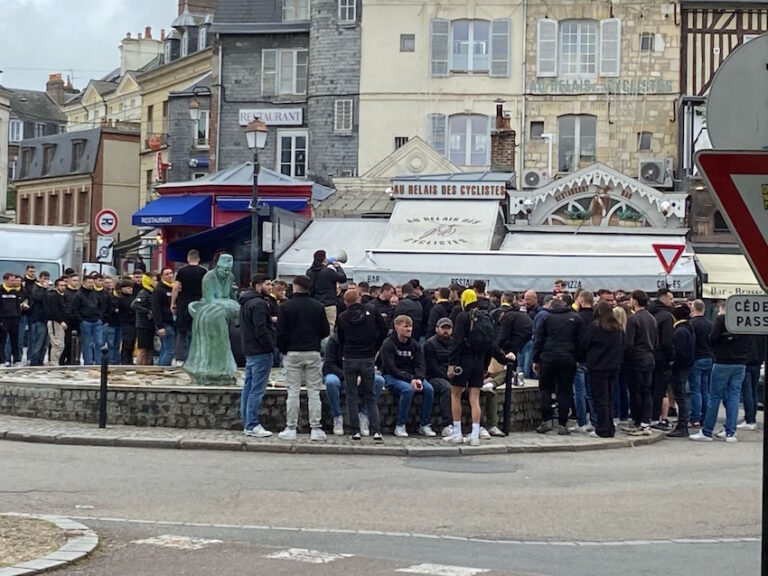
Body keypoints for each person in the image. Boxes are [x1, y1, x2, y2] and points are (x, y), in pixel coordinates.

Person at [276, 275, 330, 441]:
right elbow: (325, 331)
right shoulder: (318, 306)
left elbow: (281, 332)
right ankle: (315, 428)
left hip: (293, 352)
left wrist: (284, 349)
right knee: (314, 391)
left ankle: (291, 427)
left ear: (296, 287)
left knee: (293, 391)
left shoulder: (286, 307)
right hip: (312, 351)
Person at [691, 301, 749, 442]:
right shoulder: (744, 320)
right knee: (734, 397)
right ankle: (730, 432)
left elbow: (713, 338)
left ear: (723, 308)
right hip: (741, 362)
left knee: (715, 397)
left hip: (723, 361)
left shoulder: (722, 319)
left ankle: (707, 431)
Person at [336, 288, 388, 440]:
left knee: (351, 395)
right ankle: (376, 430)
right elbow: (384, 330)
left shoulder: (343, 317)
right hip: (367, 356)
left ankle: (355, 431)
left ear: (346, 302)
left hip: (350, 356)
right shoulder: (371, 311)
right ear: (359, 298)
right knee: (370, 395)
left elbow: (340, 338)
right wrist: (375, 346)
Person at [447, 289, 494, 445]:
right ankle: (474, 434)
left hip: (463, 360)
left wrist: (451, 364)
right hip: (479, 361)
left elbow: (457, 342)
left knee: (455, 394)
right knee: (475, 398)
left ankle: (457, 432)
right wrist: (486, 365)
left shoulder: (462, 316)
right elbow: (490, 344)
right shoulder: (485, 316)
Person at [533, 298, 583, 435]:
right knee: (565, 391)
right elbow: (580, 341)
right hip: (568, 358)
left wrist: (535, 360)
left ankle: (546, 420)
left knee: (545, 389)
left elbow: (539, 340)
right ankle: (562, 424)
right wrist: (578, 358)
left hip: (548, 358)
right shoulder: (575, 318)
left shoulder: (546, 318)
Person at [380, 315, 435, 438]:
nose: (409, 329)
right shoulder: (388, 344)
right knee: (407, 390)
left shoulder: (415, 345)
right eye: (405, 326)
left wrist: (419, 379)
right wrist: (410, 380)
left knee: (429, 389)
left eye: (410, 326)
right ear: (397, 327)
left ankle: (424, 424)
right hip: (392, 376)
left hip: (412, 376)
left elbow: (421, 365)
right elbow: (391, 368)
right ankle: (400, 425)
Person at [323, 332, 385, 437]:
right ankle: (337, 417)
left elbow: (368, 362)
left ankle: (364, 415)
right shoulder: (334, 340)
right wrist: (347, 376)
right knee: (331, 382)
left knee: (379, 381)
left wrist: (361, 375)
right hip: (339, 375)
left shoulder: (362, 340)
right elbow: (329, 364)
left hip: (360, 376)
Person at [239, 274, 275, 438]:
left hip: (249, 349)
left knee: (248, 387)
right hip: (260, 350)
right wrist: (270, 346)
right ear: (257, 285)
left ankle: (247, 421)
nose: (270, 287)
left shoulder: (245, 302)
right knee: (256, 390)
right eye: (267, 284)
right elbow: (261, 329)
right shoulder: (260, 304)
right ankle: (252, 424)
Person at [581, 301, 624, 438]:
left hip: (598, 367)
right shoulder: (618, 328)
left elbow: (585, 345)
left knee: (600, 398)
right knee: (610, 398)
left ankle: (602, 428)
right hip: (613, 366)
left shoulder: (595, 327)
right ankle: (610, 427)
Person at [623, 290, 658, 436]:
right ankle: (646, 421)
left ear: (635, 302)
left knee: (636, 391)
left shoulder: (633, 319)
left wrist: (625, 358)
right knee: (647, 390)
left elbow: (628, 344)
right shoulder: (652, 319)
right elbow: (656, 341)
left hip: (636, 359)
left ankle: (637, 422)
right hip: (649, 357)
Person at [424, 317, 460, 438]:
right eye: (443, 328)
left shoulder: (455, 343)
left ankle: (479, 425)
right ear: (437, 329)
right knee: (447, 388)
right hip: (434, 377)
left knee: (470, 389)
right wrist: (448, 377)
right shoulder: (430, 344)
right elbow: (432, 366)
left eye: (448, 328)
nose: (445, 330)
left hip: (452, 375)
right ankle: (447, 424)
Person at [171, 250, 207, 365]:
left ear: (188, 258)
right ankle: (197, 358)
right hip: (199, 304)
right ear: (198, 259)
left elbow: (176, 287)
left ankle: (179, 359)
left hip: (184, 303)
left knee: (181, 332)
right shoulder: (204, 271)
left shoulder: (181, 271)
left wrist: (172, 302)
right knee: (198, 332)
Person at [666, 305, 695, 438]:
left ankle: (682, 425)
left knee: (680, 396)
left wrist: (672, 362)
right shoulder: (688, 328)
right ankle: (682, 422)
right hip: (686, 366)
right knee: (681, 395)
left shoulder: (680, 331)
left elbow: (678, 352)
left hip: (679, 368)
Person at [649, 289, 675, 430]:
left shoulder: (648, 312)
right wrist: (671, 357)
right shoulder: (666, 317)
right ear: (664, 298)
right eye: (670, 299)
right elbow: (667, 341)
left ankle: (646, 417)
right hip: (661, 358)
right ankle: (655, 418)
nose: (672, 302)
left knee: (648, 388)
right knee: (659, 389)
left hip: (648, 355)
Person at [571, 290, 596, 433]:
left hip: (580, 359)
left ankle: (581, 422)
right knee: (592, 392)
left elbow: (576, 340)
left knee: (579, 392)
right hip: (593, 359)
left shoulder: (577, 318)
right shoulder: (597, 318)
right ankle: (594, 420)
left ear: (580, 300)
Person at [306, 250, 346, 331]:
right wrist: (338, 267)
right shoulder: (327, 272)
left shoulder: (309, 272)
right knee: (329, 327)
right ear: (324, 259)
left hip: (315, 304)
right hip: (329, 304)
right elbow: (343, 278)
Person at [687, 299, 714, 427]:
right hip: (709, 358)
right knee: (705, 389)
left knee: (695, 389)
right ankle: (706, 416)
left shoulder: (691, 324)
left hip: (696, 358)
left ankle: (695, 417)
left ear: (693, 309)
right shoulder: (710, 324)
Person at [71, 274, 105, 365]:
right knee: (87, 343)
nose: (91, 284)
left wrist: (100, 317)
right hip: (85, 321)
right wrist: (81, 319)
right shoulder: (78, 295)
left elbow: (101, 305)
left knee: (99, 342)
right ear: (84, 282)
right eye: (89, 282)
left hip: (97, 320)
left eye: (92, 282)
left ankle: (99, 362)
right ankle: (88, 362)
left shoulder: (95, 294)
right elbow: (74, 309)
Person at [738, 334, 767, 431]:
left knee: (747, 391)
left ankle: (749, 419)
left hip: (746, 361)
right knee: (754, 391)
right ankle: (752, 417)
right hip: (757, 361)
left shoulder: (746, 330)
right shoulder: (760, 330)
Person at [152, 267, 176, 366]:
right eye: (167, 274)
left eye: (171, 273)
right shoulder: (159, 290)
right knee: (171, 350)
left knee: (165, 348)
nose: (170, 275)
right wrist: (160, 326)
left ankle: (160, 368)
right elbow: (156, 309)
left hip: (172, 321)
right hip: (164, 323)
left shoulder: (174, 288)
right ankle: (164, 369)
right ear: (162, 276)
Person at [131, 273, 157, 366]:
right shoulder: (144, 292)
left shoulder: (153, 292)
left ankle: (146, 366)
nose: (155, 282)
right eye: (153, 279)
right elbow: (134, 305)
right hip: (143, 324)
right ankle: (139, 367)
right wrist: (147, 311)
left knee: (149, 349)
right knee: (143, 349)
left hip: (151, 324)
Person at [27, 271, 50, 366]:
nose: (46, 281)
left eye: (47, 279)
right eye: (44, 279)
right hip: (37, 319)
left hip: (46, 319)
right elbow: (38, 298)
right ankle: (34, 362)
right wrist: (44, 289)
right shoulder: (35, 288)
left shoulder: (46, 290)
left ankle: (41, 361)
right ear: (40, 278)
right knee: (37, 343)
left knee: (44, 344)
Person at [612, 306, 630, 424]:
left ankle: (615, 413)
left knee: (615, 389)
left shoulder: (614, 332)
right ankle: (624, 415)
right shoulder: (627, 332)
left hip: (615, 362)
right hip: (626, 363)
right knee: (624, 388)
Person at [0, 273, 23, 366]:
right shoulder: (0, 290)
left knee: (15, 340)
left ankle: (17, 360)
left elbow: (18, 305)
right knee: (2, 341)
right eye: (12, 280)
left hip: (14, 319)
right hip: (3, 320)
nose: (14, 282)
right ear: (5, 280)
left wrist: (18, 316)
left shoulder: (15, 292)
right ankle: (2, 360)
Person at [46, 277, 68, 366]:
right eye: (61, 285)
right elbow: (53, 311)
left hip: (61, 322)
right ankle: (53, 363)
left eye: (64, 285)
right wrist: (61, 321)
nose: (63, 287)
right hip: (55, 322)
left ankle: (55, 362)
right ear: (56, 286)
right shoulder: (53, 296)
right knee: (57, 344)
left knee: (60, 344)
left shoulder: (63, 296)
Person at [61, 274, 80, 365]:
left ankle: (72, 359)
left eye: (77, 280)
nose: (76, 282)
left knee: (76, 342)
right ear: (68, 281)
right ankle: (63, 359)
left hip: (77, 320)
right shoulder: (65, 292)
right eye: (74, 280)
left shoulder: (79, 292)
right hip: (67, 320)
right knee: (66, 341)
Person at [102, 277, 122, 364]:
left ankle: (116, 360)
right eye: (106, 282)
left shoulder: (120, 296)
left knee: (117, 344)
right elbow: (105, 309)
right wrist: (114, 310)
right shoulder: (107, 296)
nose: (109, 284)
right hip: (110, 322)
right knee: (110, 343)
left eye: (110, 282)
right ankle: (110, 360)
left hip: (119, 322)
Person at [117, 280, 136, 365]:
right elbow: (129, 308)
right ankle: (124, 361)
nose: (130, 289)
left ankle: (130, 360)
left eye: (131, 288)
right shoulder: (121, 299)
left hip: (133, 322)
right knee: (127, 343)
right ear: (122, 289)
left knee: (132, 343)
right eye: (128, 288)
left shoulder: (132, 297)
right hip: (126, 322)